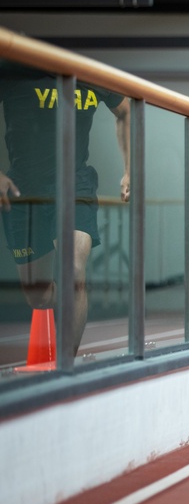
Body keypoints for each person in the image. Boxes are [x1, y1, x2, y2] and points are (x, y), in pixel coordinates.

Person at [0, 61, 130, 359]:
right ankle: (67, 301)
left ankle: (66, 367)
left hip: (75, 184)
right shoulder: (14, 72)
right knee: (39, 296)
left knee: (73, 271)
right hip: (24, 190)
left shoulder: (90, 75)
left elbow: (124, 111)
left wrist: (129, 170)